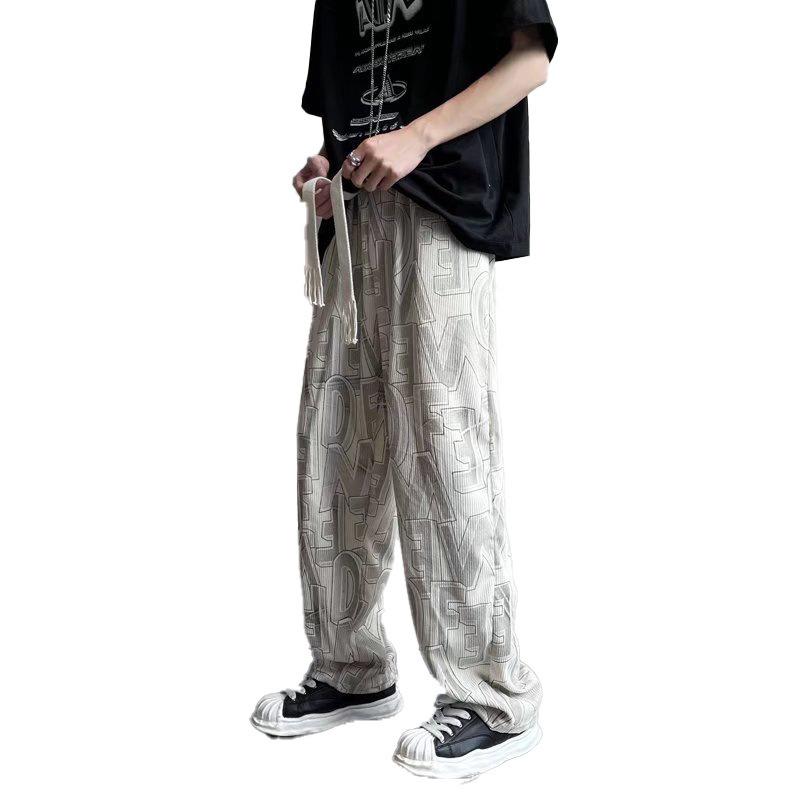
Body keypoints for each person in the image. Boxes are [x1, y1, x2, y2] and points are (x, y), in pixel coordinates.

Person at [251, 0, 558, 780]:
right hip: (357, 223)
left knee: (444, 448)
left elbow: (530, 59)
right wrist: (328, 170)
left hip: (443, 214)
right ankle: (351, 668)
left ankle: (494, 700)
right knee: (336, 447)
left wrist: (418, 136)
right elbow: (351, 116)